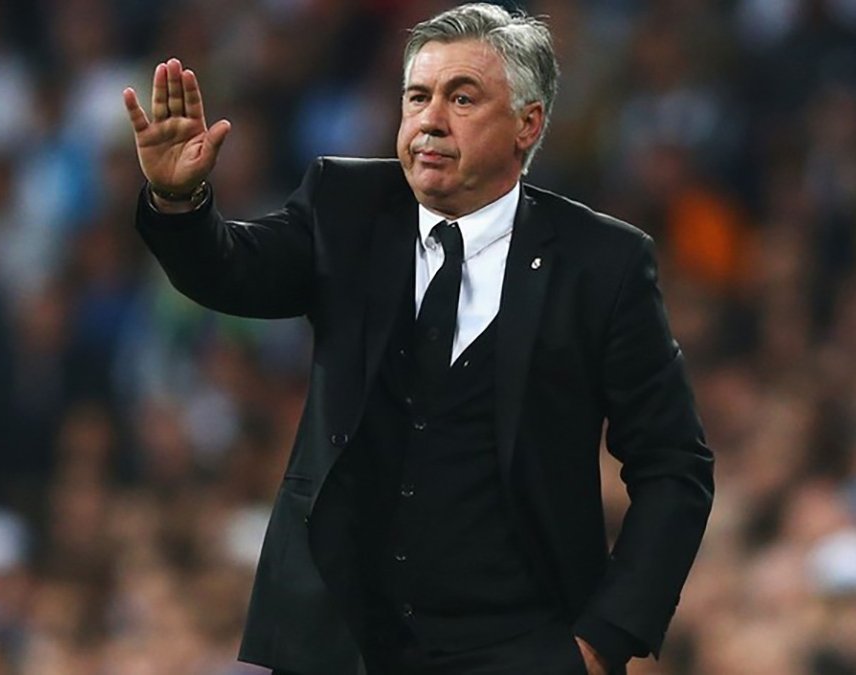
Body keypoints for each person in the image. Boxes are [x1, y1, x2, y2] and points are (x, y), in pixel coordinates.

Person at [123, 4, 714, 674]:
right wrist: (178, 201)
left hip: (520, 647)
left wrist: (604, 640)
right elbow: (232, 271)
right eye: (417, 96)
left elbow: (675, 465)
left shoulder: (601, 264)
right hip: (339, 648)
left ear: (527, 124)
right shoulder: (346, 204)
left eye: (461, 98)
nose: (430, 120)